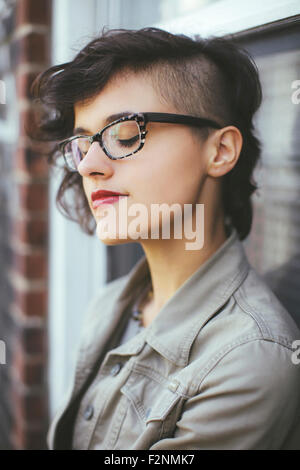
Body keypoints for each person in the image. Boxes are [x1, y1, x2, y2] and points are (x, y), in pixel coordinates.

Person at [31, 27, 300, 450]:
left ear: (221, 151)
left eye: (124, 134)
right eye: (83, 143)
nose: (89, 166)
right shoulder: (111, 304)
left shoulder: (249, 359)